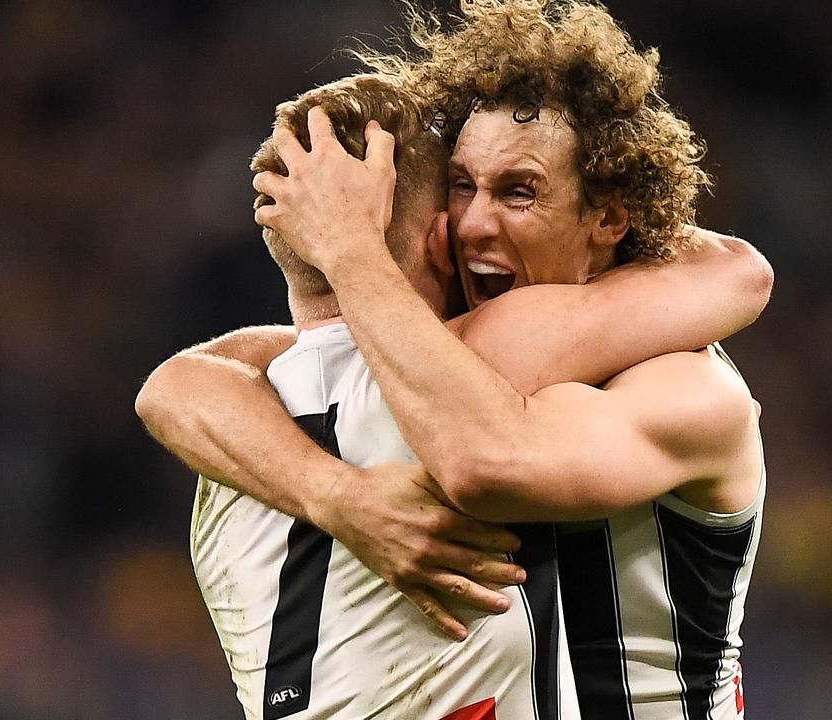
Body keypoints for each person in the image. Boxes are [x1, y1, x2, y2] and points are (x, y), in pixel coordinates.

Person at [137, 72, 769, 719]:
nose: (475, 224)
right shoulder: (452, 375)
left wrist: (349, 250)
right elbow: (739, 271)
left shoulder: (237, 449)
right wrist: (340, 497)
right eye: (462, 187)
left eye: (519, 192)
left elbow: (176, 383)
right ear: (437, 233)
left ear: (607, 214)